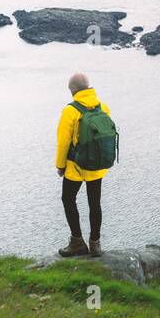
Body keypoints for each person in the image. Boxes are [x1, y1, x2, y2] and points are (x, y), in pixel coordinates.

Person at [55, 71, 112, 257]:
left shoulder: (70, 110)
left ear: (72, 91)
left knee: (68, 199)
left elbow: (63, 142)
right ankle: (95, 244)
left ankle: (77, 242)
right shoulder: (102, 107)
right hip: (97, 165)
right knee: (94, 204)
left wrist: (60, 165)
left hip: (76, 166)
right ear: (89, 87)